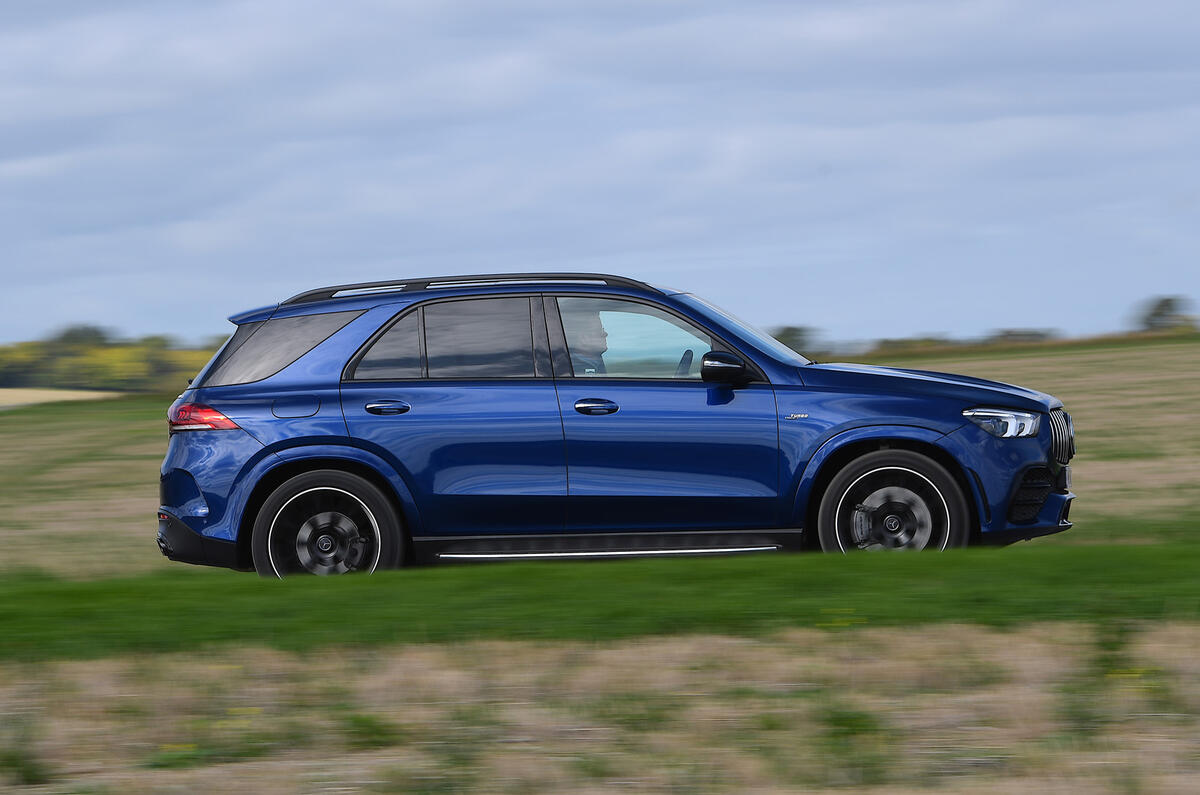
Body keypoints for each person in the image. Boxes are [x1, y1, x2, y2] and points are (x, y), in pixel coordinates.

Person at [567, 311, 608, 375]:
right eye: (599, 330)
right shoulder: (579, 373)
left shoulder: (596, 364)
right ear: (583, 338)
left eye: (603, 329)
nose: (605, 334)